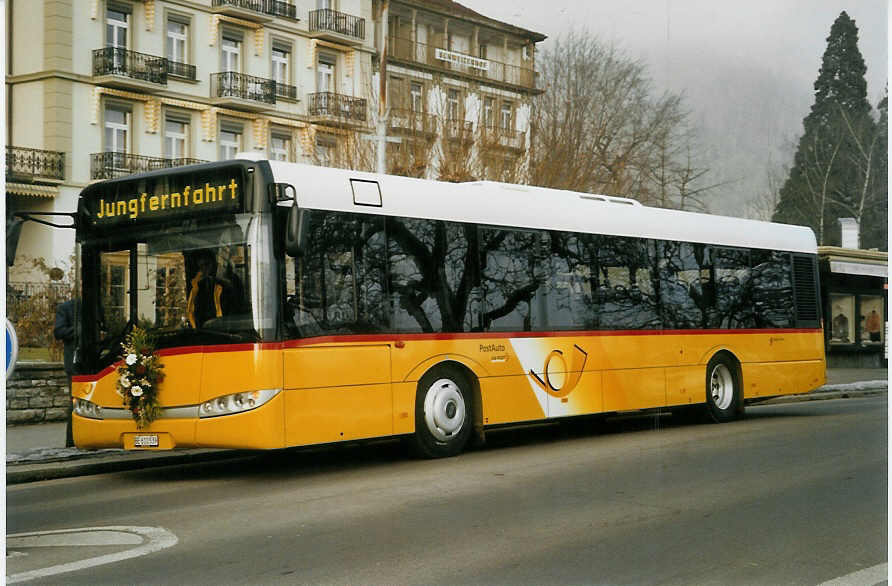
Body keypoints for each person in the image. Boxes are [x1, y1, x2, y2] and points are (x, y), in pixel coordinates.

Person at [53, 298, 78, 447]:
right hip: (73, 363)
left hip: (93, 361)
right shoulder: (66, 308)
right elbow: (58, 331)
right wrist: (76, 330)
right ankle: (71, 442)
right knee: (74, 401)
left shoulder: (94, 307)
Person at [186, 251, 225, 329]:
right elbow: (190, 312)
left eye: (206, 264)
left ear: (213, 265)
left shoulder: (223, 285)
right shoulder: (196, 286)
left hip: (222, 332)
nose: (204, 269)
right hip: (202, 332)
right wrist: (195, 329)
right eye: (201, 266)